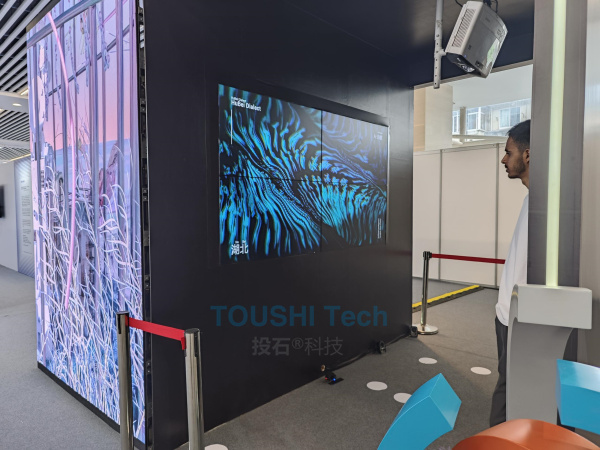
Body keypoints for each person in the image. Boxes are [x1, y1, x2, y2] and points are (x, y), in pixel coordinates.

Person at [490, 119, 530, 427]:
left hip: (522, 321)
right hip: (508, 316)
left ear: (527, 155)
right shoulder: (533, 200)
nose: (504, 160)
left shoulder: (546, 204)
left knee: (509, 397)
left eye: (509, 152)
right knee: (508, 385)